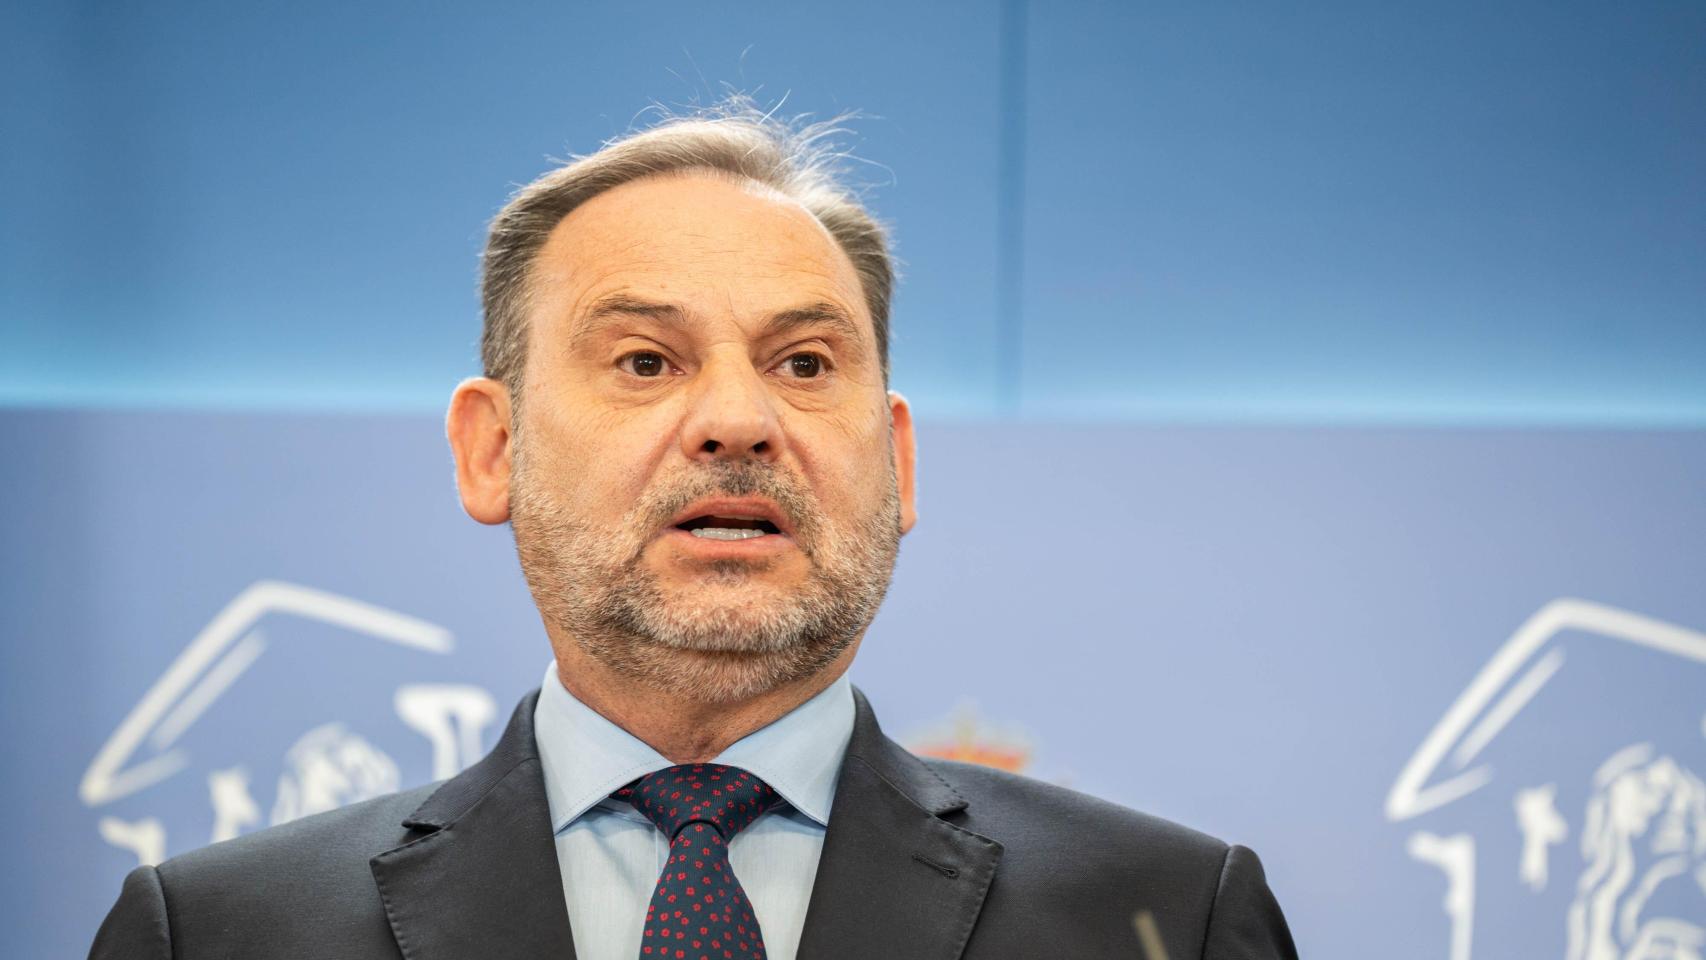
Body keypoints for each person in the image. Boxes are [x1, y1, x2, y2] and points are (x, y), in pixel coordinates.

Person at [90, 102, 1298, 960]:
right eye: (644, 359)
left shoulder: (1165, 917)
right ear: (491, 448)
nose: (736, 419)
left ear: (898, 458)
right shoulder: (219, 933)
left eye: (805, 361)